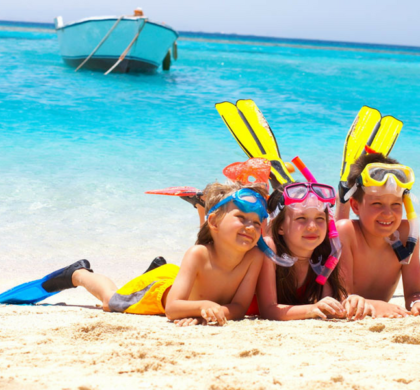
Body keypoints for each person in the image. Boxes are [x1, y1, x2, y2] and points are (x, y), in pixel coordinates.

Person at [41, 182, 269, 326]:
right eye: (241, 218)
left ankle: (155, 270)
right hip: (158, 294)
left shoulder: (254, 258)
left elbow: (239, 307)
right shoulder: (198, 254)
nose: (250, 226)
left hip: (177, 280)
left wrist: (208, 312)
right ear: (214, 222)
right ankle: (79, 273)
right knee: (111, 301)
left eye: (257, 223)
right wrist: (204, 306)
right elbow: (172, 309)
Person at [255, 182, 374, 321]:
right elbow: (269, 310)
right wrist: (311, 309)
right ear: (280, 226)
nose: (312, 227)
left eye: (319, 218)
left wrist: (351, 302)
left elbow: (329, 304)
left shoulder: (322, 256)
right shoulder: (270, 250)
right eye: (301, 218)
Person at [335, 153, 420, 318]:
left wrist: (416, 303)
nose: (387, 214)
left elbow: (414, 293)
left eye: (396, 204)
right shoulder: (346, 233)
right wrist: (374, 304)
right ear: (355, 206)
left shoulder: (406, 234)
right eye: (377, 203)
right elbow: (341, 298)